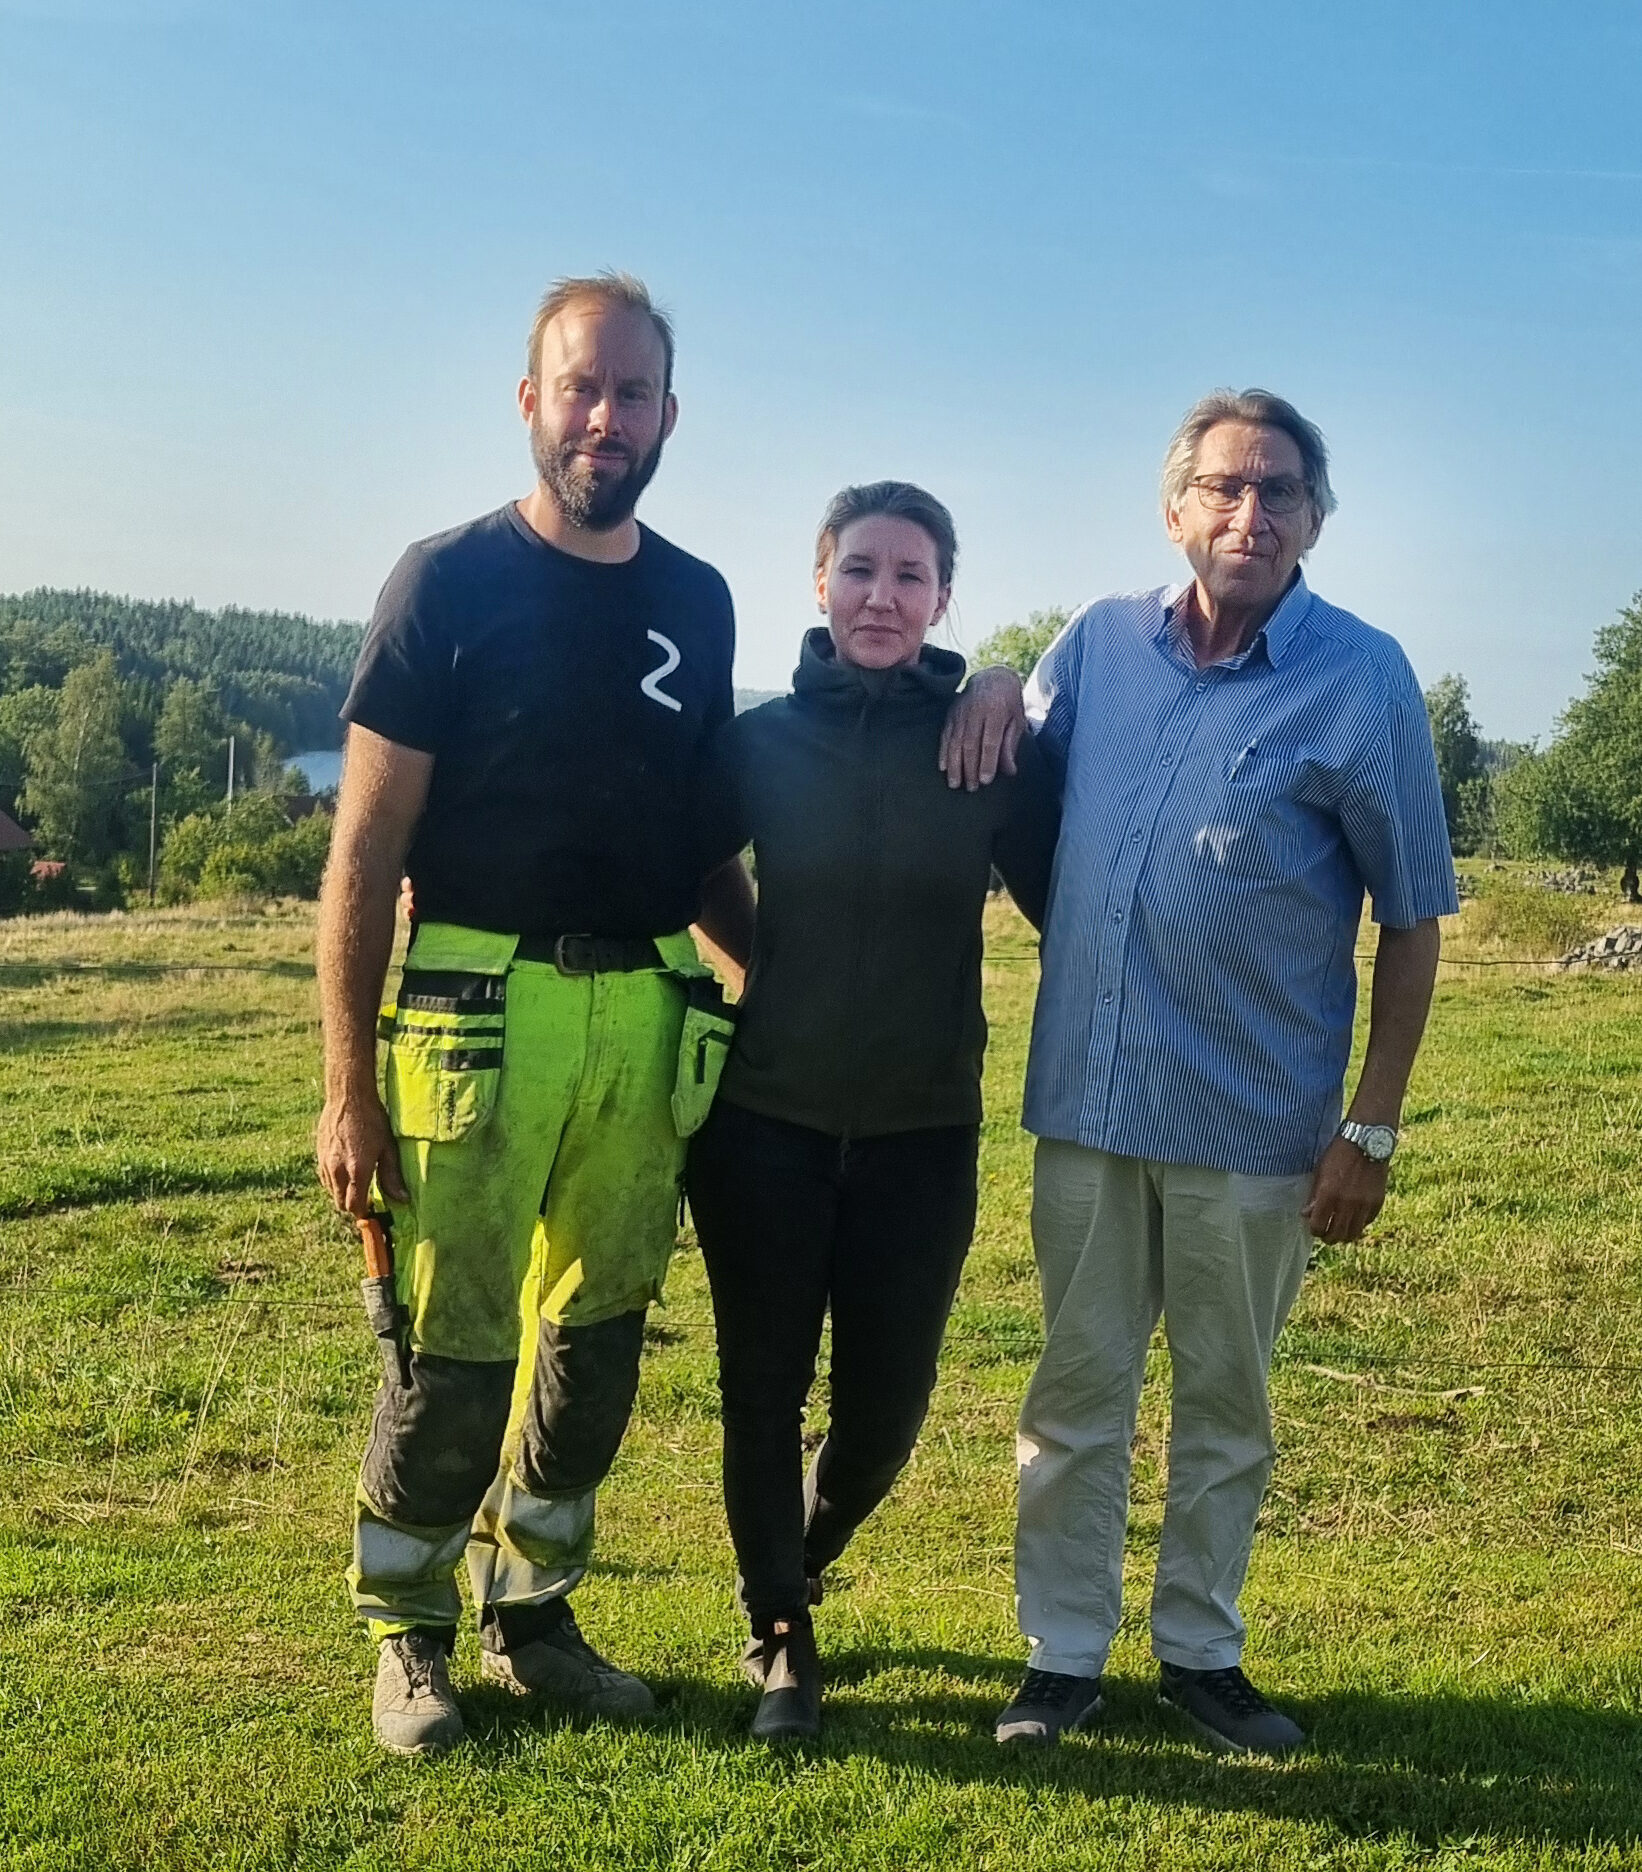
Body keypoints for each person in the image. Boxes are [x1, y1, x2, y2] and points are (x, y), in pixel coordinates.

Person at [314, 272, 757, 1755]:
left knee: (601, 1335)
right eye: (580, 388)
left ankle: (535, 1610)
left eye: (633, 395)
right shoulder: (445, 585)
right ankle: (409, 1631)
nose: (605, 419)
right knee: (454, 1347)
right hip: (472, 1013)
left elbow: (707, 856)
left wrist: (778, 990)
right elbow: (364, 858)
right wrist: (344, 1088)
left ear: (667, 416)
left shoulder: (698, 601)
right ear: (528, 400)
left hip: (645, 1012)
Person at [989, 390, 1457, 1754]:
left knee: (1225, 1406)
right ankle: (1060, 1658)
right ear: (1173, 504)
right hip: (1084, 1106)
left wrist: (1366, 1132)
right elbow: (1011, 762)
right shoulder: (1092, 647)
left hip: (1254, 1126)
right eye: (1223, 487)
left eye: (1280, 492)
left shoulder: (1361, 679)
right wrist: (973, 679)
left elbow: (1413, 920)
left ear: (1315, 517)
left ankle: (1199, 1653)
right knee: (1071, 1400)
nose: (1248, 514)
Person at [685, 482, 1060, 1739]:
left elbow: (1074, 894)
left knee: (885, 1413)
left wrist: (1006, 679)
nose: (881, 597)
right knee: (761, 1391)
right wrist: (760, 967)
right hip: (765, 1124)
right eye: (858, 571)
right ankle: (779, 1632)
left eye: (909, 576)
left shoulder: (984, 748)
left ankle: (802, 1551)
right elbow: (687, 859)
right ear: (818, 583)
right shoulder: (758, 743)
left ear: (943, 597)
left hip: (922, 1131)